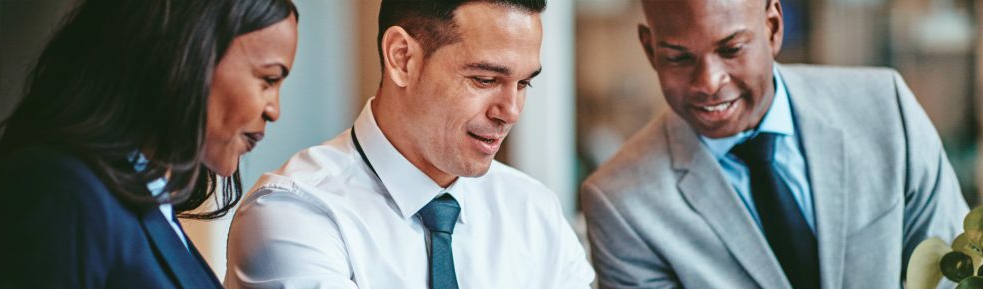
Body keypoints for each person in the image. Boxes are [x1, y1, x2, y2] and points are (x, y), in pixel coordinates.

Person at [581, 0, 969, 288]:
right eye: (678, 58)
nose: (709, 82)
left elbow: (953, 274)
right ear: (650, 50)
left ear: (773, 27)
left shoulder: (886, 109)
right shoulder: (621, 204)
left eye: (731, 49)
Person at [224, 0, 595, 288]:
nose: (510, 111)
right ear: (402, 58)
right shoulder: (295, 214)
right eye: (484, 79)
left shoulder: (535, 212)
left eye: (524, 84)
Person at [0, 0, 298, 288]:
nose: (275, 110)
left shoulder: (144, 201)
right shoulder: (58, 193)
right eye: (268, 79)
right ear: (186, 51)